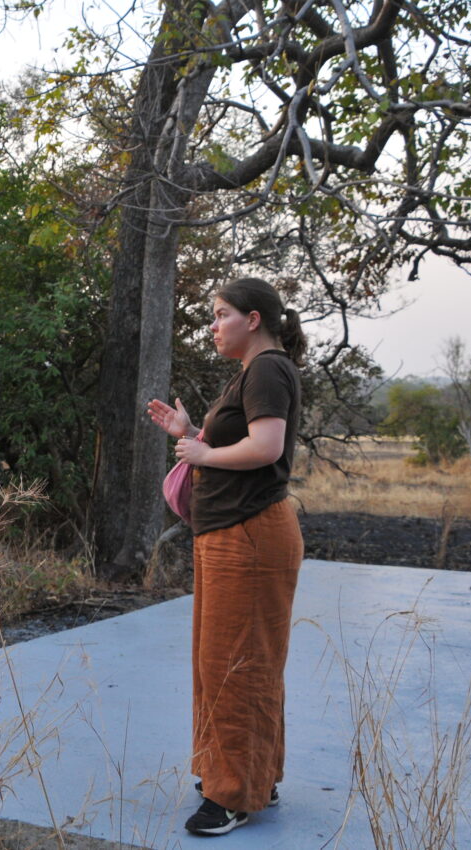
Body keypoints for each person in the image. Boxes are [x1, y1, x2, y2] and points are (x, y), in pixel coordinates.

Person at [146, 277, 306, 837]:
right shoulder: (255, 372)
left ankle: (234, 794)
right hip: (231, 535)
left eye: (220, 315)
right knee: (230, 661)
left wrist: (204, 450)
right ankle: (248, 774)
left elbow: (266, 447)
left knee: (237, 663)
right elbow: (245, 441)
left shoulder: (267, 368)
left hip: (250, 536)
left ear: (254, 319)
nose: (212, 326)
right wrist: (189, 431)